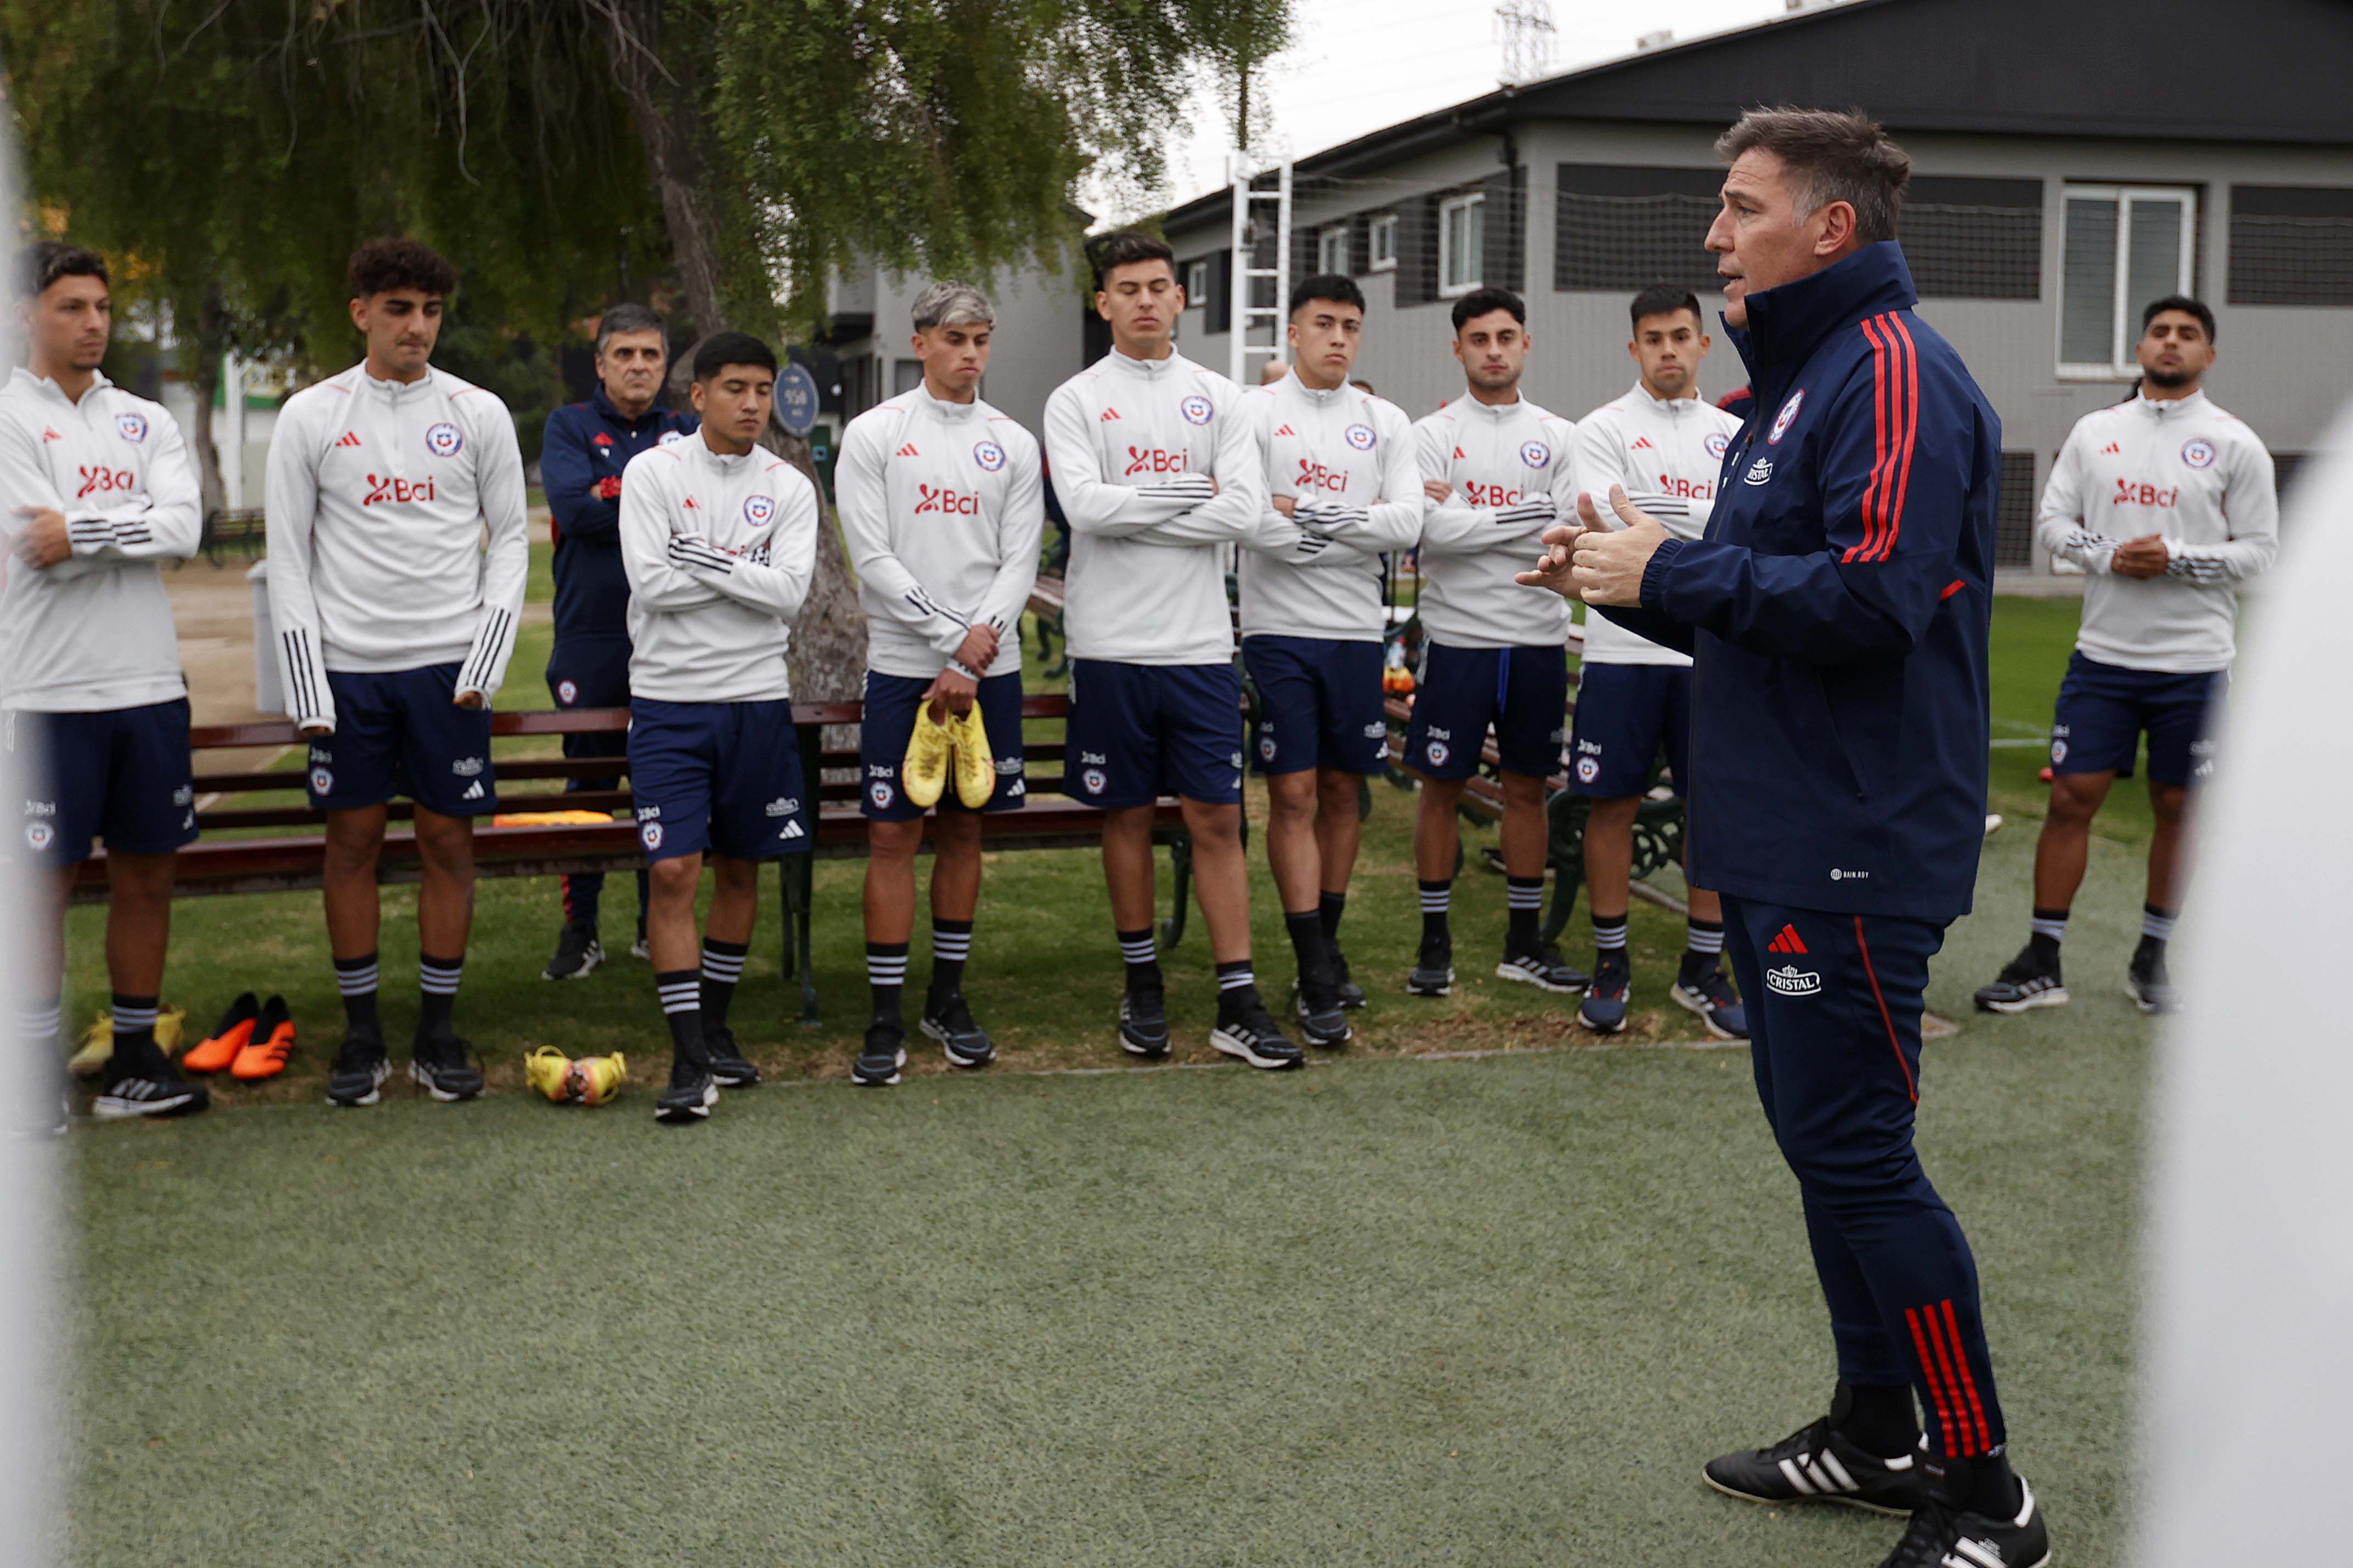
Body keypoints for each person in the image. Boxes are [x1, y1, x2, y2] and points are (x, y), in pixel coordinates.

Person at [1520, 109, 2050, 1566]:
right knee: (1825, 1150)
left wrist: (1676, 564)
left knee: (1862, 1157)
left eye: (1741, 207)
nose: (1713, 233)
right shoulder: (1808, 380)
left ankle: (1984, 1487)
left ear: (1829, 228)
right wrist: (1626, 579)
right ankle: (1878, 1428)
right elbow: (1760, 593)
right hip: (1782, 828)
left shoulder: (1891, 371)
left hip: (1855, 838)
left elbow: (1876, 605)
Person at [266, 239, 529, 1108]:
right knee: (353, 844)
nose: (417, 326)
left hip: (447, 673)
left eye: (430, 310)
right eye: (399, 309)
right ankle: (362, 1035)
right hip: (350, 675)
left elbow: (512, 539)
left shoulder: (479, 411)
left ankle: (438, 1032)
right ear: (362, 313)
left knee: (450, 843)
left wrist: (484, 661)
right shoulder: (311, 414)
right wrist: (309, 687)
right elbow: (289, 557)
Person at [1974, 294, 2275, 1018]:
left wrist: (2174, 559)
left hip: (2195, 665)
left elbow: (2260, 553)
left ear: (2208, 354)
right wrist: (2113, 554)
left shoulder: (2236, 442)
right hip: (2103, 658)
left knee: (2178, 803)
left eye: (2188, 334)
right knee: (2071, 796)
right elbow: (2051, 524)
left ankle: (2153, 957)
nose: (2171, 343)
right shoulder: (2095, 431)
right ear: (2139, 348)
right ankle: (2042, 958)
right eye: (2160, 331)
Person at [1041, 231, 1300, 1070]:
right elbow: (1083, 508)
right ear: (1103, 302)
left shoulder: (1222, 398)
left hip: (1197, 646)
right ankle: (1142, 983)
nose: (1146, 299)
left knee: (1218, 818)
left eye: (1160, 286)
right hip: (1110, 643)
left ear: (1181, 298)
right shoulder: (1076, 399)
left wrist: (1141, 505)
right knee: (1124, 815)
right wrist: (1193, 494)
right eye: (1128, 288)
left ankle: (1237, 997)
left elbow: (1246, 513)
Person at [0, 242, 207, 1121]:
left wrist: (81, 531)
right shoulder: (9, 416)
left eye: (102, 309)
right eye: (71, 307)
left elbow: (186, 527)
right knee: (39, 885)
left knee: (147, 875)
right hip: (46, 693)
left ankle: (133, 1061)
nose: (92, 324)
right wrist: (129, 524)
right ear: (24, 313)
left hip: (148, 686)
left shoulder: (145, 421)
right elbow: (29, 545)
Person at [837, 282, 1043, 1086]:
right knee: (894, 835)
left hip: (985, 668)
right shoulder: (875, 433)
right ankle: (884, 1015)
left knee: (964, 831)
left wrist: (971, 656)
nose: (970, 354)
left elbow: (1020, 559)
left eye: (982, 339)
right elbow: (874, 557)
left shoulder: (1012, 441)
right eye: (955, 338)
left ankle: (946, 1001)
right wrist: (947, 639)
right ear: (920, 341)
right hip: (902, 663)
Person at [617, 332, 820, 1123]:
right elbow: (651, 583)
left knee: (742, 870)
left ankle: (715, 1030)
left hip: (756, 700)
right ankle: (686, 1056)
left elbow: (790, 594)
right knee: (673, 874)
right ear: (696, 394)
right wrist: (745, 570)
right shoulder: (652, 472)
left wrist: (699, 555)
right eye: (734, 387)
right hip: (669, 701)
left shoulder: (790, 486)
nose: (751, 404)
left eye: (762, 389)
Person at [1237, 274, 1421, 1043]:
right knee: (1295, 794)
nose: (1338, 338)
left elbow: (1407, 520)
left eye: (1350, 325)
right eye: (1323, 324)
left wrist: (1302, 512)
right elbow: (1248, 517)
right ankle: (1314, 967)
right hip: (1277, 631)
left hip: (1354, 632)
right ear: (1292, 332)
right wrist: (1355, 524)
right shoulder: (1251, 413)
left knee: (1346, 791)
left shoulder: (1384, 420)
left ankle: (1328, 945)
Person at [1567, 287, 1748, 1040]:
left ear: (1704, 345)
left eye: (1681, 336)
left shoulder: (1738, 435)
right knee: (1610, 804)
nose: (1668, 349)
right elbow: (1606, 521)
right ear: (1633, 348)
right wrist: (1706, 528)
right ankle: (1611, 960)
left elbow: (1756, 530)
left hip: (1712, 651)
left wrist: (1662, 519)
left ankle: (1701, 968)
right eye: (1653, 338)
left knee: (1714, 812)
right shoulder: (1600, 427)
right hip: (1620, 647)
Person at [1405, 287, 1584, 998]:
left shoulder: (1559, 433)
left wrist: (1466, 512)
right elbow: (1432, 530)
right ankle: (1434, 943)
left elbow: (1565, 525)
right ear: (1458, 349)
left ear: (1525, 345)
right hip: (1457, 638)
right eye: (1478, 338)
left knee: (1526, 790)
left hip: (1536, 637)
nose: (1493, 350)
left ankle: (1523, 943)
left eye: (1505, 336)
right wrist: (1520, 514)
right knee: (1440, 788)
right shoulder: (1430, 431)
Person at [534, 303, 696, 981]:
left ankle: (648, 924)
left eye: (650, 356)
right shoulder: (569, 426)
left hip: (672, 632)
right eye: (623, 355)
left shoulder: (686, 428)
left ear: (665, 365)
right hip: (592, 634)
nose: (637, 367)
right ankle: (582, 930)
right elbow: (574, 511)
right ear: (600, 364)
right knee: (590, 784)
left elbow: (699, 513)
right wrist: (647, 501)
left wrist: (615, 492)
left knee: (663, 780)